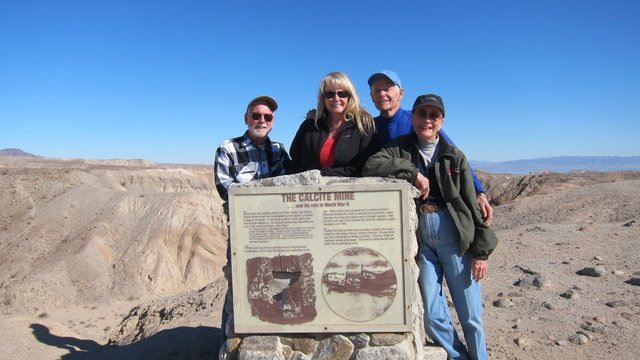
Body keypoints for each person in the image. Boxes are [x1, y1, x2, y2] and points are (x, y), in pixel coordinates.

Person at [363, 94, 498, 360]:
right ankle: (458, 356)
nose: (427, 120)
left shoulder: (453, 155)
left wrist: (481, 252)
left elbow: (470, 204)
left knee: (470, 315)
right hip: (420, 237)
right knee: (432, 315)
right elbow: (371, 165)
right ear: (412, 118)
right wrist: (412, 173)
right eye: (421, 114)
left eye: (433, 115)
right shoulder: (399, 147)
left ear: (441, 121)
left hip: (454, 232)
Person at [213, 95, 291, 348]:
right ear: (246, 118)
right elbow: (224, 188)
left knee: (276, 282)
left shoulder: (278, 150)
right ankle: (230, 342)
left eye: (267, 117)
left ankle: (270, 333)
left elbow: (287, 186)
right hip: (243, 231)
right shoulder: (228, 148)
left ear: (273, 121)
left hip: (276, 231)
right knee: (239, 284)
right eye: (256, 115)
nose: (261, 120)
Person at [368, 70, 494, 225]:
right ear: (371, 96)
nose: (382, 94)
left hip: (421, 205)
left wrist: (479, 191)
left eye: (387, 89)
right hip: (386, 208)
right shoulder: (368, 127)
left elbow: (454, 156)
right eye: (377, 90)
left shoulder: (419, 121)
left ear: (400, 94)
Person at [290, 71, 378, 176]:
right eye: (329, 94)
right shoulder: (309, 126)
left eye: (342, 94)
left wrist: (321, 175)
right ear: (323, 98)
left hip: (350, 190)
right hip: (310, 190)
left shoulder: (364, 125)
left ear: (350, 96)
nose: (336, 99)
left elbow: (364, 166)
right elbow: (295, 160)